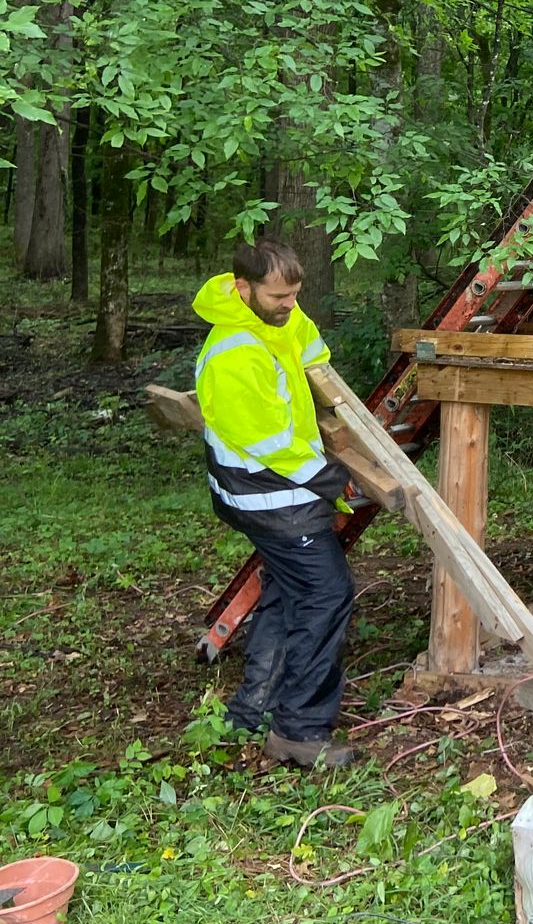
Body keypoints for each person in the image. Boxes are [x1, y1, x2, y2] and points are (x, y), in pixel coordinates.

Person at [194, 238, 357, 768]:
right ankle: (300, 731)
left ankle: (253, 709)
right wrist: (328, 475)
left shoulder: (278, 319)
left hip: (274, 493)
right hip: (267, 496)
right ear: (243, 288)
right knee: (326, 594)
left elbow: (311, 354)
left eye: (294, 294)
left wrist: (343, 412)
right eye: (278, 295)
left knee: (288, 593)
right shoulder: (234, 352)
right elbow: (267, 441)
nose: (289, 304)